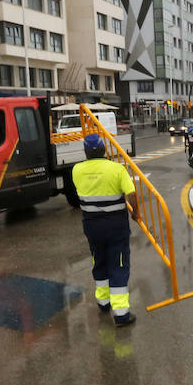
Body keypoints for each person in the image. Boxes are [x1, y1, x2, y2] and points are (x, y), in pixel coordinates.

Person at [72, 133, 139, 327]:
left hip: (92, 226)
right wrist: (136, 214)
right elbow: (131, 195)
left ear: (85, 151)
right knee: (118, 266)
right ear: (103, 149)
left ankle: (103, 302)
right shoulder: (117, 169)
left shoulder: (76, 170)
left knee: (98, 261)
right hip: (115, 227)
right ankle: (121, 314)